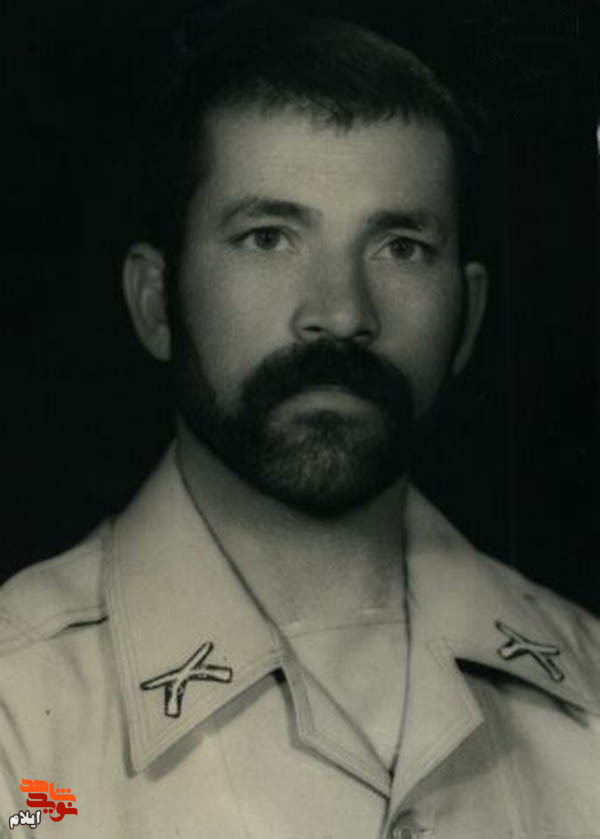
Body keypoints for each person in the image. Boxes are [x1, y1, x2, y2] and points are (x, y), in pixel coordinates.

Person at [1, 11, 598, 839]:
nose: (342, 313)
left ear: (468, 318)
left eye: (400, 247)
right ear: (156, 302)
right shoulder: (20, 723)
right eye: (269, 238)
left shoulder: (590, 688)